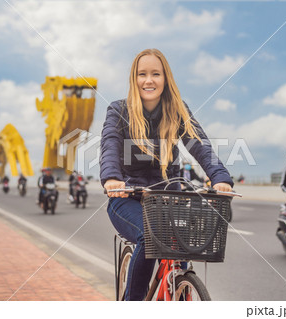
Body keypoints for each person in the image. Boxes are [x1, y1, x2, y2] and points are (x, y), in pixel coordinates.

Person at [100, 48, 234, 301]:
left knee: (182, 245)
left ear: (165, 78)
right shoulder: (119, 110)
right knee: (148, 237)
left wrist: (220, 178)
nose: (148, 80)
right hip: (128, 197)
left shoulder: (177, 110)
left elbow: (199, 144)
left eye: (155, 74)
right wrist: (111, 179)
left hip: (167, 199)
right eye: (142, 74)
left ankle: (179, 290)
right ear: (134, 78)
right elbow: (109, 145)